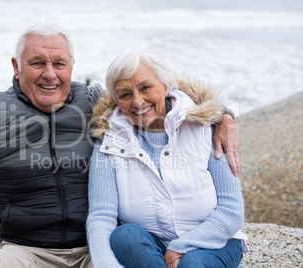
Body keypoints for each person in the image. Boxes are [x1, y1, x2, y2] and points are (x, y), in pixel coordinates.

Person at [0, 22, 240, 268]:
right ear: (17, 66)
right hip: (23, 249)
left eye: (59, 63)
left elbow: (156, 92)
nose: (49, 73)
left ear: (72, 65)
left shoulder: (94, 102)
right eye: (37, 63)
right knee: (3, 264)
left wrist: (222, 116)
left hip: (93, 247)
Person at [87, 50, 249, 268]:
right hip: (148, 249)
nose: (137, 101)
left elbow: (231, 211)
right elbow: (101, 215)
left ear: (166, 85)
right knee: (125, 236)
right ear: (116, 102)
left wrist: (179, 247)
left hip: (213, 243)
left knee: (192, 262)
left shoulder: (206, 128)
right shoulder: (109, 142)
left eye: (145, 87)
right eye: (125, 94)